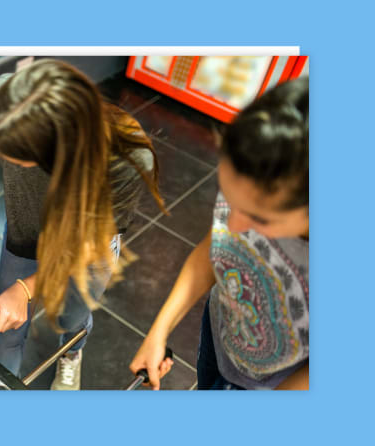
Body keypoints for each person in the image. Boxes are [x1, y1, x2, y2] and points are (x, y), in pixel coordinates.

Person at [0, 59, 165, 389]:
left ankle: (71, 355)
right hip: (25, 234)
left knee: (70, 318)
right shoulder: (5, 97)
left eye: (16, 154)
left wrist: (27, 288)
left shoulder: (125, 158)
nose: (3, 157)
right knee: (5, 329)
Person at [129, 78, 309, 390]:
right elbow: (216, 248)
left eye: (259, 218)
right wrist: (160, 329)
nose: (234, 226)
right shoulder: (251, 178)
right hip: (221, 334)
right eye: (227, 195)